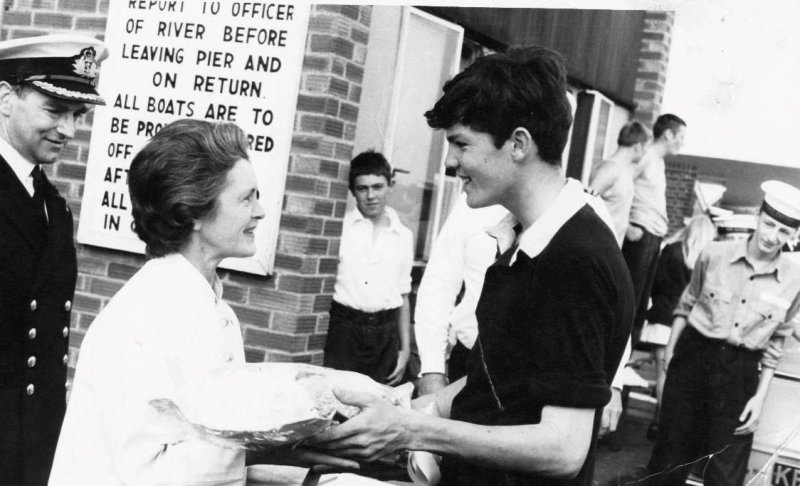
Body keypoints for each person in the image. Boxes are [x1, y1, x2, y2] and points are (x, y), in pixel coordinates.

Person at [309, 46, 633, 485]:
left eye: (461, 144)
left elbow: (564, 448)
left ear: (518, 144)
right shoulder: (525, 236)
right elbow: (504, 377)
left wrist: (416, 429)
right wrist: (415, 406)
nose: (449, 163)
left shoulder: (574, 256)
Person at [49, 119, 355, 485]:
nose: (260, 212)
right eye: (246, 198)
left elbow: (206, 450)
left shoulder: (217, 313)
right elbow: (148, 474)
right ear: (191, 213)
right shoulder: (138, 321)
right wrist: (270, 439)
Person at [0, 34, 108, 486]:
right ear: (6, 99)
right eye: (54, 110)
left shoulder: (53, 206)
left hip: (34, 439)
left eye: (76, 115)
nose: (69, 130)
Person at [647, 180, 800, 485]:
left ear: (794, 234)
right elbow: (685, 306)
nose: (772, 236)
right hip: (692, 359)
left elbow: (776, 341)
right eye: (769, 224)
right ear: (758, 217)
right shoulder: (714, 254)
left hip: (740, 374)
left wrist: (758, 398)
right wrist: (670, 360)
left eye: (783, 231)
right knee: (668, 464)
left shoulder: (794, 280)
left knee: (725, 474)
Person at [323, 150, 413, 385]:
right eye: (363, 189)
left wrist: (405, 350)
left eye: (377, 186)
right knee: (339, 402)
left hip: (385, 335)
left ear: (390, 186)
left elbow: (403, 295)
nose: (371, 195)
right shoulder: (341, 228)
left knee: (380, 406)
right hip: (344, 331)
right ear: (353, 191)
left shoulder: (403, 235)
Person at [639, 215, 716, 440]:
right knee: (681, 378)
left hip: (663, 321)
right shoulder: (710, 258)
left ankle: (661, 423)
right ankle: (670, 426)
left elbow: (654, 284)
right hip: (692, 325)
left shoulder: (672, 251)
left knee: (663, 375)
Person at [623, 114, 686, 348]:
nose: (682, 142)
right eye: (680, 137)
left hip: (654, 236)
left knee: (640, 302)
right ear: (668, 134)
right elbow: (620, 183)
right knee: (631, 298)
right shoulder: (646, 156)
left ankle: (625, 358)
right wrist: (626, 226)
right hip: (641, 234)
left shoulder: (658, 162)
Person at [589, 120, 651, 246]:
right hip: (598, 247)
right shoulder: (609, 169)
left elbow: (614, 207)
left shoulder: (625, 171)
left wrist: (628, 228)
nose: (646, 153)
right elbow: (587, 206)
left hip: (611, 248)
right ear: (638, 146)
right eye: (646, 148)